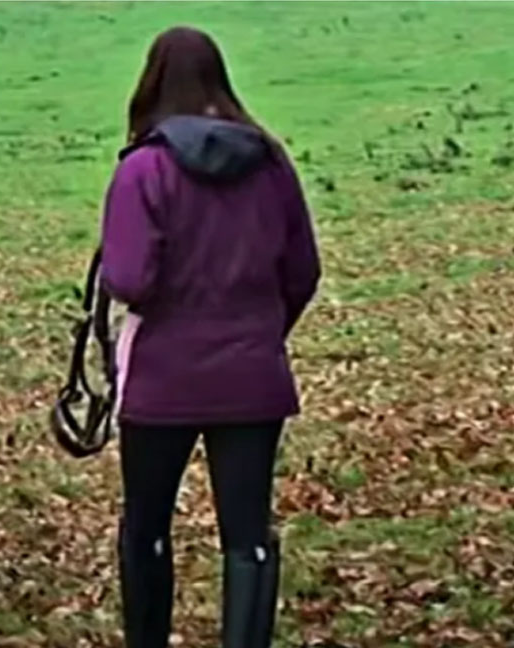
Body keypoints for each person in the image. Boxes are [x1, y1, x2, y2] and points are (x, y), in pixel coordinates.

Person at [100, 26, 321, 648]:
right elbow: (303, 270)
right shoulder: (271, 162)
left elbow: (128, 277)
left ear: (151, 81)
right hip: (253, 376)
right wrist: (262, 330)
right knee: (248, 535)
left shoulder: (143, 169)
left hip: (161, 380)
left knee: (146, 525)